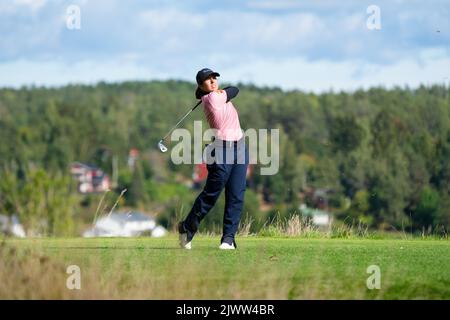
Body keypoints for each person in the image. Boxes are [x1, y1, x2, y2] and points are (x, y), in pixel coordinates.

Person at [178, 68, 249, 250]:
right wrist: (214, 92)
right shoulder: (213, 98)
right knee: (211, 194)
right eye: (208, 80)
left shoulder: (214, 95)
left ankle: (228, 239)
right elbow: (234, 89)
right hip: (223, 149)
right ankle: (186, 228)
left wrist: (213, 90)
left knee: (236, 195)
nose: (213, 81)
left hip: (240, 146)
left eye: (214, 78)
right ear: (201, 86)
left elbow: (230, 91)